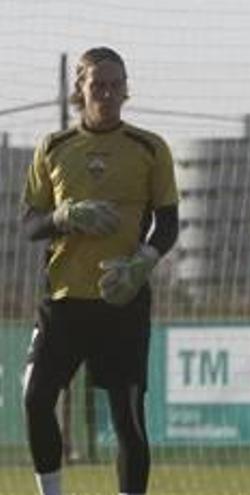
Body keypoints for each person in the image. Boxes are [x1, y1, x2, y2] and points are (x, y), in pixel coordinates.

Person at [20, 46, 179, 495]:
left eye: (116, 85)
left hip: (122, 300)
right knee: (35, 400)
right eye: (98, 85)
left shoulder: (150, 148)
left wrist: (142, 264)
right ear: (81, 90)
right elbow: (30, 224)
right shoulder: (53, 148)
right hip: (64, 301)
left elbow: (168, 223)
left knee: (127, 418)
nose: (107, 94)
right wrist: (63, 216)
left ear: (126, 89)